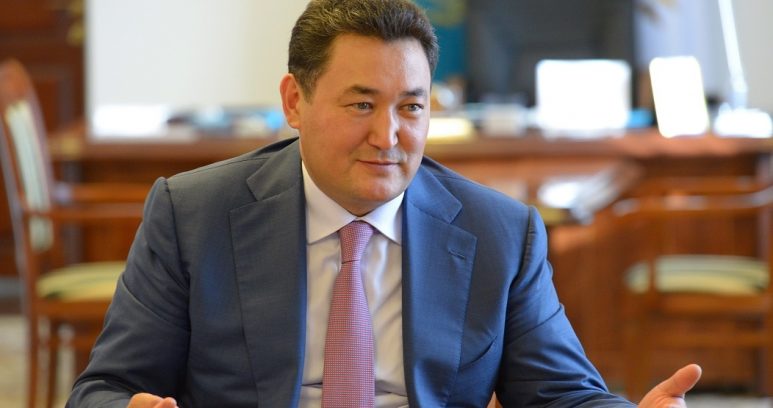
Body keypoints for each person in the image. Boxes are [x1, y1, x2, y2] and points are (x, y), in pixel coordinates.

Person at [67, 0, 702, 407]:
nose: (388, 136)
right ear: (294, 102)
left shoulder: (502, 232)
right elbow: (105, 388)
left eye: (411, 107)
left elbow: (563, 395)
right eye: (362, 104)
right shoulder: (192, 215)